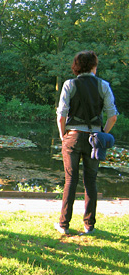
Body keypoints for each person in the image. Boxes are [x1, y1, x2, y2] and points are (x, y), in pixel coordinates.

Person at [55, 50, 118, 235]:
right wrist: (102, 134)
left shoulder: (69, 84)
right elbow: (112, 116)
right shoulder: (103, 85)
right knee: (91, 181)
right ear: (93, 66)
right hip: (94, 139)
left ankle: (64, 225)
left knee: (70, 181)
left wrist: (62, 135)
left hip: (72, 137)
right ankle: (89, 225)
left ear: (76, 66)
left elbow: (61, 115)